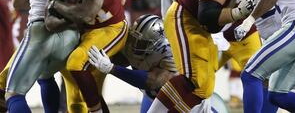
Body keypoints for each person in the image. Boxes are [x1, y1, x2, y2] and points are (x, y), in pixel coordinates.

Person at [43, 0, 128, 113]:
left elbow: (86, 14)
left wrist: (58, 6)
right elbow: (50, 24)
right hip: (83, 33)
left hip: (110, 27)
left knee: (76, 63)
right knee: (75, 99)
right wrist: (73, 18)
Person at [88, 14, 230, 113]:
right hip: (155, 98)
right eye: (134, 38)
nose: (134, 44)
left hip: (187, 104)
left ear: (156, 44)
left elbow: (152, 81)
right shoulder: (137, 47)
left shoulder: (171, 53)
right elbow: (120, 58)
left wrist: (112, 69)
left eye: (141, 42)